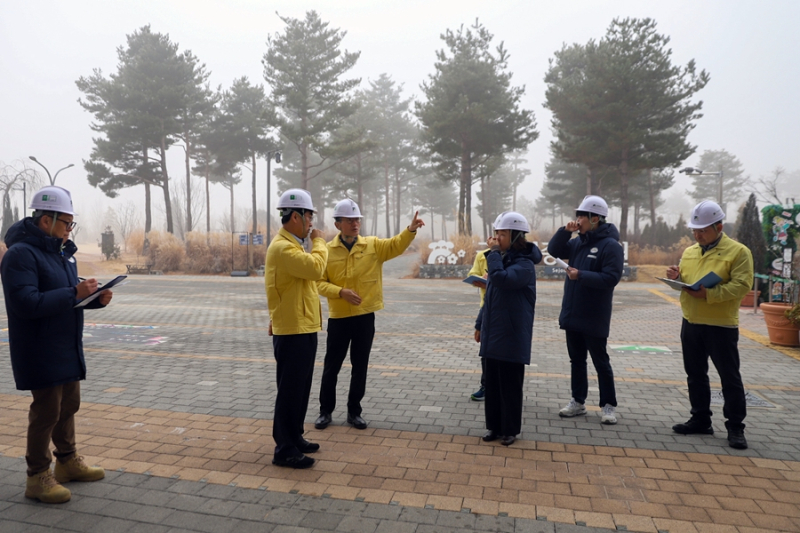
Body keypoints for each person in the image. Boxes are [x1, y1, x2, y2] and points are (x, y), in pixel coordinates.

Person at [1, 186, 112, 504]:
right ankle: (37, 475)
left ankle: (67, 461)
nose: (69, 229)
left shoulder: (61, 252)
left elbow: (66, 294)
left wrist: (94, 298)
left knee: (69, 405)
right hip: (39, 346)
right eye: (66, 222)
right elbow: (27, 302)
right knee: (47, 411)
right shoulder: (21, 255)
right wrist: (74, 293)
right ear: (45, 220)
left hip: (65, 343)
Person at [315, 199, 424, 430]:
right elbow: (318, 283)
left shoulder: (373, 246)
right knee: (331, 366)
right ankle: (325, 411)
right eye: (350, 220)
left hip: (364, 317)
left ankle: (354, 412)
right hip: (339, 318)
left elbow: (396, 245)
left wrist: (410, 230)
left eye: (357, 220)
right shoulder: (326, 251)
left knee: (360, 366)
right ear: (338, 224)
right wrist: (340, 292)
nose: (355, 224)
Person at [666, 200, 753, 449]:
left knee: (729, 378)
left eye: (702, 230)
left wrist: (710, 294)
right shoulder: (690, 252)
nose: (697, 235)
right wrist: (677, 277)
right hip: (691, 321)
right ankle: (700, 419)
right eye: (694, 230)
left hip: (720, 325)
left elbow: (742, 285)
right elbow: (688, 281)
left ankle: (735, 426)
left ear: (719, 227)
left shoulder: (738, 252)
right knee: (695, 374)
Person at [265, 188, 328, 468]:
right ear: (295, 217)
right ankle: (284, 448)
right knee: (290, 390)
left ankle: (295, 436)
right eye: (309, 216)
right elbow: (316, 269)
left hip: (302, 326)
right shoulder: (284, 247)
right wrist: (320, 242)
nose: (311, 223)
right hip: (293, 330)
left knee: (300, 388)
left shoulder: (292, 245)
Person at [548, 195, 623, 425]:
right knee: (577, 360)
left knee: (601, 361)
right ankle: (578, 401)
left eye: (582, 216)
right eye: (578, 215)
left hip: (594, 314)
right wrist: (565, 232)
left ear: (596, 219)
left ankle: (608, 406)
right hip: (573, 311)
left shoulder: (611, 246)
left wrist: (580, 275)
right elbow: (554, 250)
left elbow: (611, 278)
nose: (578, 220)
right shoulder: (577, 242)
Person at [475, 211, 542, 446]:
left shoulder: (524, 265)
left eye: (502, 234)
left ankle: (510, 429)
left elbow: (502, 280)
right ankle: (494, 426)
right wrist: (479, 324)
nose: (497, 239)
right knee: (492, 383)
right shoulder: (501, 260)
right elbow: (490, 297)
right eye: (496, 234)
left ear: (515, 236)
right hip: (493, 332)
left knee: (510, 385)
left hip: (512, 333)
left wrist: (493, 254)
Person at [468, 249, 488, 401]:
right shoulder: (482, 255)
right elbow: (472, 274)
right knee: (486, 352)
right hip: (486, 307)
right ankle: (486, 386)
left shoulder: (515, 257)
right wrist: (481, 280)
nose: (495, 239)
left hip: (507, 311)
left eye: (501, 236)